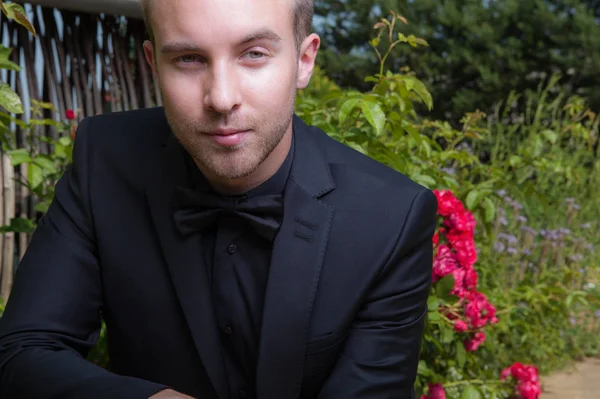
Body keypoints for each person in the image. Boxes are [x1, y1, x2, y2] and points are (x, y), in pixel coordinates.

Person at [0, 0, 438, 398]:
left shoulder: (392, 218)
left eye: (254, 54)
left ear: (304, 61)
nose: (222, 98)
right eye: (188, 59)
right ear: (154, 65)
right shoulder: (105, 159)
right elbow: (21, 354)